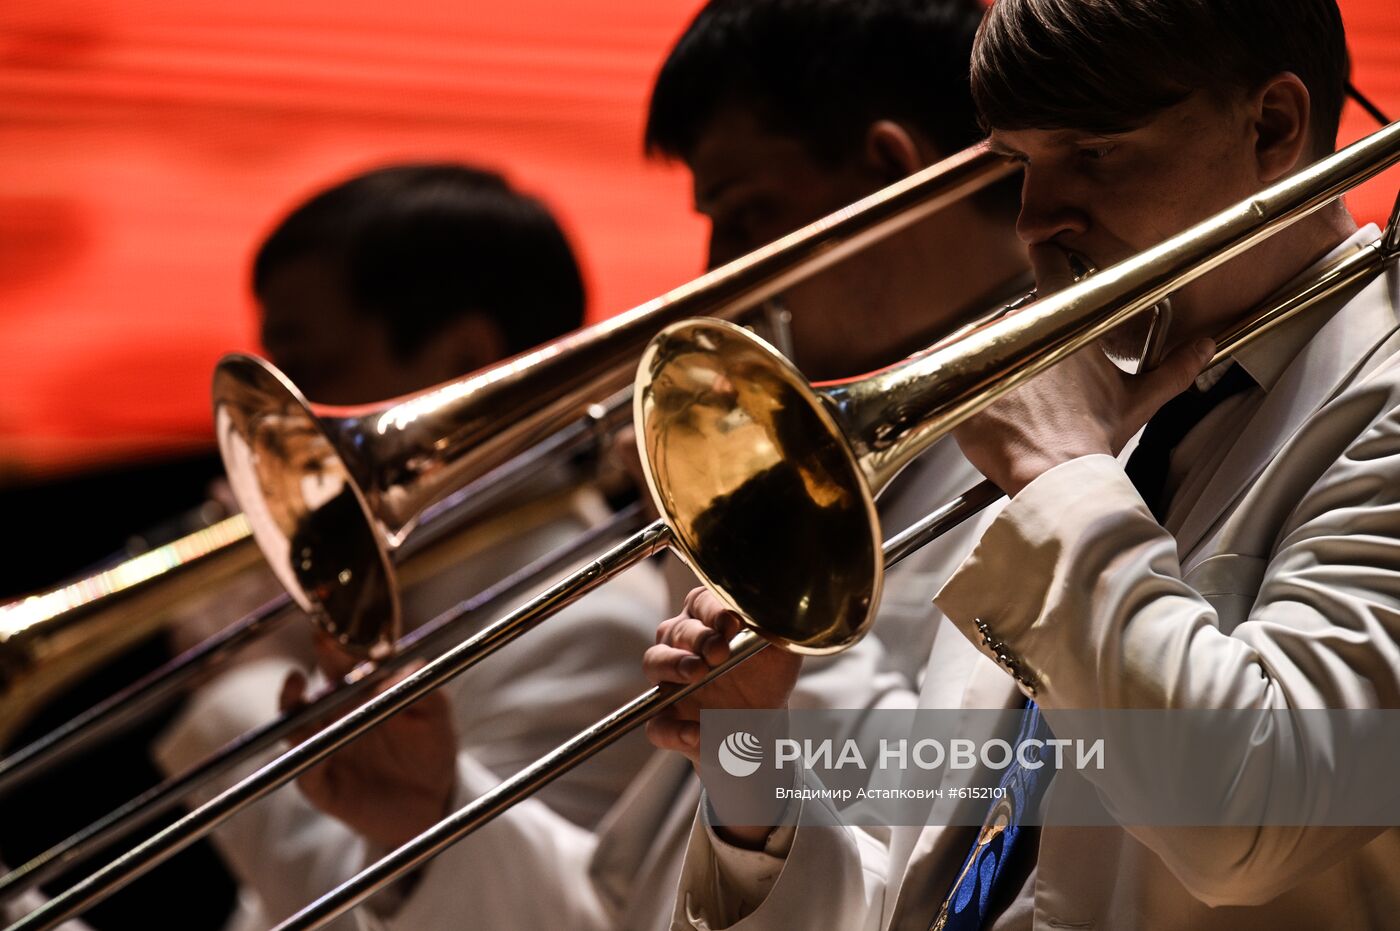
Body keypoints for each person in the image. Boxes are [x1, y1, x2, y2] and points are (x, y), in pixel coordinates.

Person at [648, 0, 1400, 928]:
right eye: (1020, 164)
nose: (1037, 221)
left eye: (1093, 151)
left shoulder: (1367, 392)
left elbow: (1252, 820)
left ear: (1273, 126)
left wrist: (1061, 480)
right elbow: (941, 883)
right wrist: (748, 757)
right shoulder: (1096, 415)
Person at [339, 2, 1028, 929]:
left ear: (891, 175)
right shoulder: (871, 453)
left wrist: (736, 526)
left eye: (749, 214)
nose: (718, 269)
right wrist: (428, 816)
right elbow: (629, 909)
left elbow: (943, 828)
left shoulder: (1062, 465)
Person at [152, 163, 669, 931]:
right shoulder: (407, 595)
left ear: (463, 362)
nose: (265, 454)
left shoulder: (589, 626)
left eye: (311, 379)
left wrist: (241, 679)